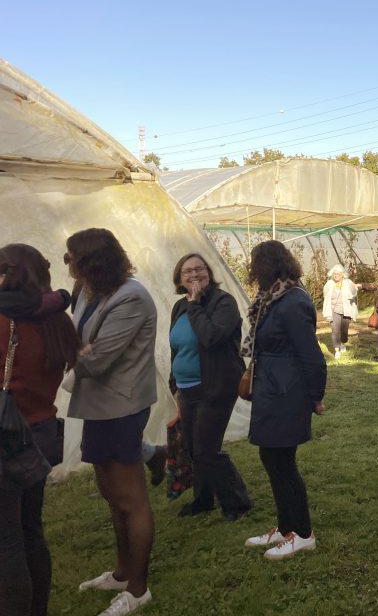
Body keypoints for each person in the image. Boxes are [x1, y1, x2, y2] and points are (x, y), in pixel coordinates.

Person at [65, 229, 157, 615]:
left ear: (93, 263)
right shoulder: (90, 291)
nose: (67, 264)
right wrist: (79, 349)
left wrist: (58, 353)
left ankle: (138, 589)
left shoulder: (130, 298)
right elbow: (79, 341)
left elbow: (98, 358)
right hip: (99, 406)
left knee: (130, 499)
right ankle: (122, 573)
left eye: (71, 258)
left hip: (121, 407)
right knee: (110, 493)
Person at [0, 244, 78, 616]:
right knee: (31, 528)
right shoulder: (57, 320)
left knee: (6, 541)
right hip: (42, 431)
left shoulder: (5, 320)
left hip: (7, 439)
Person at [242, 240, 327, 561]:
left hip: (286, 392)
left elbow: (311, 355)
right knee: (271, 457)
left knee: (282, 462)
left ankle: (303, 534)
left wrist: (315, 396)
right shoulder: (272, 298)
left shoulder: (292, 301)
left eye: (255, 263)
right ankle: (286, 527)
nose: (252, 270)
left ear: (267, 265)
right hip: (273, 389)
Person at [168, 252, 252, 522]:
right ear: (179, 279)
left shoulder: (223, 302)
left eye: (199, 269)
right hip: (187, 388)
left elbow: (211, 337)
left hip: (216, 386)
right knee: (193, 449)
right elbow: (176, 347)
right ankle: (203, 500)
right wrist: (174, 383)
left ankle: (237, 503)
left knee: (207, 450)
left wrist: (195, 305)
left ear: (209, 272)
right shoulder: (179, 307)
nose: (194, 274)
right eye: (187, 271)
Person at [322, 265, 359, 360]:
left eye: (338, 274)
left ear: (342, 275)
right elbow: (325, 295)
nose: (336, 275)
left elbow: (354, 293)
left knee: (344, 331)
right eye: (334, 274)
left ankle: (342, 343)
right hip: (334, 311)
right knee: (335, 330)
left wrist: (354, 289)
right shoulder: (329, 284)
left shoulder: (348, 283)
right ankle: (337, 350)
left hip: (346, 310)